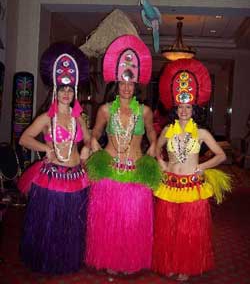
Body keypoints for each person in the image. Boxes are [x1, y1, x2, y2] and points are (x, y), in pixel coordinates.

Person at [85, 35, 161, 274]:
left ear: (136, 84)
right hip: (110, 168)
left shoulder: (146, 111)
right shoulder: (106, 110)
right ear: (116, 84)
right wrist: (93, 144)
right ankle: (111, 261)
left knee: (132, 221)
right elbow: (94, 133)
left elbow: (152, 134)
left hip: (136, 169)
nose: (127, 87)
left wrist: (153, 147)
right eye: (122, 82)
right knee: (110, 221)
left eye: (130, 83)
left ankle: (129, 261)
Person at [152, 58, 231, 281]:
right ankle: (168, 262)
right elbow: (155, 150)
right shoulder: (167, 129)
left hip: (192, 186)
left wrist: (201, 167)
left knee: (188, 231)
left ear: (193, 109)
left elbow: (222, 155)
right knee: (169, 229)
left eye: (188, 107)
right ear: (175, 108)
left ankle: (185, 266)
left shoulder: (202, 133)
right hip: (169, 184)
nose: (184, 111)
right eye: (180, 107)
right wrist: (162, 163)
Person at [17, 42, 91, 274]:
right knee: (51, 223)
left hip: (76, 176)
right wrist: (45, 149)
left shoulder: (79, 118)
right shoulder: (46, 118)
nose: (66, 94)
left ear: (74, 92)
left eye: (70, 90)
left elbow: (88, 140)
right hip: (53, 176)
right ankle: (47, 261)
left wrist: (88, 148)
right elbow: (24, 139)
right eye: (62, 90)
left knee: (70, 224)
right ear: (56, 92)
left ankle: (66, 261)